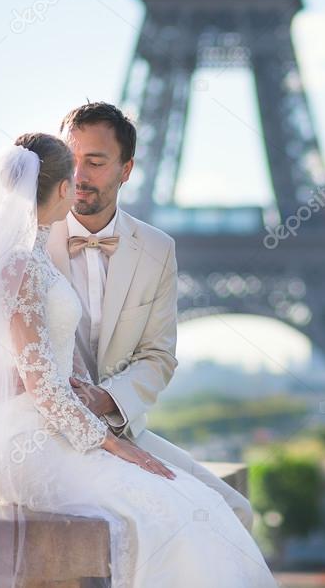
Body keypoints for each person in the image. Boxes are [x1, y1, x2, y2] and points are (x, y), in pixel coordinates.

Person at [0, 134, 277, 587]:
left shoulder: (25, 259)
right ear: (60, 189)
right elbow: (41, 387)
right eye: (72, 177)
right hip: (31, 437)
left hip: (50, 425)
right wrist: (113, 444)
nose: (79, 185)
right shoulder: (21, 265)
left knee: (189, 504)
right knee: (171, 508)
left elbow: (43, 360)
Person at [48, 101, 254, 528]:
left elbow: (158, 355)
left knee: (234, 511)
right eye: (71, 160)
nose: (80, 176)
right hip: (43, 432)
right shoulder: (25, 239)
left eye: (96, 162)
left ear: (126, 169)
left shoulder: (158, 249)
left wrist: (104, 398)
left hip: (119, 427)